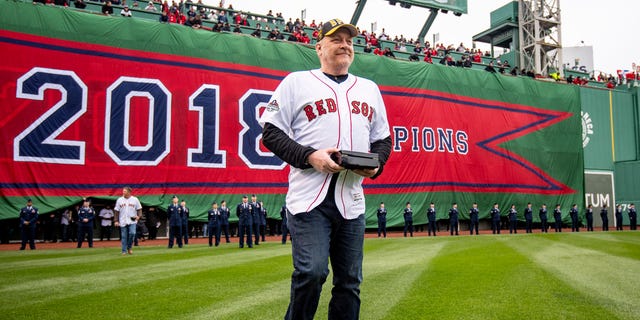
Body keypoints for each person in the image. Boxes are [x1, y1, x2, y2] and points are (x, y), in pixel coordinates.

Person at [259, 18, 391, 320]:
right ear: (319, 47)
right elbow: (271, 132)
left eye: (349, 41)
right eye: (336, 40)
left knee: (349, 283)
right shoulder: (296, 82)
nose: (345, 45)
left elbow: (382, 138)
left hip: (352, 200)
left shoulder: (369, 89)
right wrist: (309, 156)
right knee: (312, 272)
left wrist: (377, 165)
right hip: (309, 199)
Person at [114, 186, 142, 255]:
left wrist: (139, 216)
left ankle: (129, 247)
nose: (123, 192)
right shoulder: (119, 200)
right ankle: (124, 251)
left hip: (132, 220)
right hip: (123, 220)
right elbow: (116, 211)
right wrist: (116, 220)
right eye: (123, 191)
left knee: (132, 233)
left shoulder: (135, 199)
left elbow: (139, 209)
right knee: (124, 236)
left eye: (125, 191)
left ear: (129, 192)